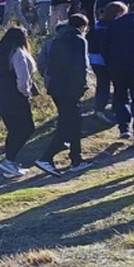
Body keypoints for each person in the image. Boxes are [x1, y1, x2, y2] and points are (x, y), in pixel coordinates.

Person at [34, 14, 93, 176]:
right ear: (82, 27)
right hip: (70, 87)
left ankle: (76, 159)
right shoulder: (79, 40)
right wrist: (82, 86)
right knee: (70, 123)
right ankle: (46, 157)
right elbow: (79, 66)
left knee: (72, 122)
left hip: (56, 86)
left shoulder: (57, 39)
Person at [102, 0, 134, 147]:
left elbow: (105, 46)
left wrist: (109, 63)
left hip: (117, 65)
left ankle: (124, 127)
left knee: (120, 95)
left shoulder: (115, 24)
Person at [0, 28, 37, 179]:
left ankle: (10, 163)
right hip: (15, 98)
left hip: (0, 96)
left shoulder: (1, 55)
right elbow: (22, 80)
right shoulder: (19, 54)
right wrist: (26, 93)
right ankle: (9, 160)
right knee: (27, 128)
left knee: (14, 130)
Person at [89, 3, 125, 123]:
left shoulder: (97, 25)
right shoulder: (115, 26)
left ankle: (99, 109)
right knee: (117, 85)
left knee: (102, 85)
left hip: (95, 59)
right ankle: (115, 108)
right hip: (110, 59)